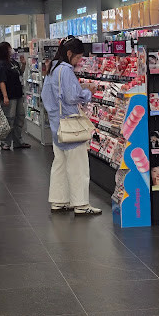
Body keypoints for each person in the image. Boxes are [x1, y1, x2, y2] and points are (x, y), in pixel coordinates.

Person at [41, 35, 102, 216]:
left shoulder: (52, 68)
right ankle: (81, 204)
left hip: (57, 125)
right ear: (69, 53)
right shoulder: (66, 70)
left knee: (59, 165)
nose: (79, 61)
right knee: (78, 166)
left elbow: (46, 96)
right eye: (78, 57)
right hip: (71, 125)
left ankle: (59, 201)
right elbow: (71, 97)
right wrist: (87, 93)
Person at [0, 42, 31, 150]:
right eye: (9, 48)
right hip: (9, 96)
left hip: (18, 94)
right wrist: (5, 96)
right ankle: (5, 142)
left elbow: (20, 73)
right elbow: (2, 81)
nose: (11, 49)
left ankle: (18, 141)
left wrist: (23, 64)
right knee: (9, 119)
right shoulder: (1, 64)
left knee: (20, 117)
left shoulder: (13, 62)